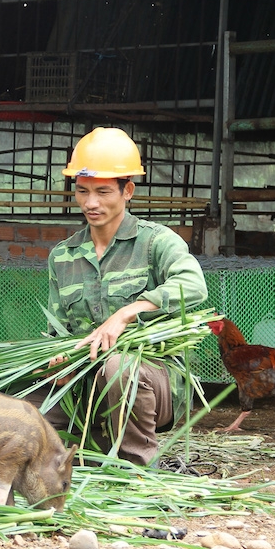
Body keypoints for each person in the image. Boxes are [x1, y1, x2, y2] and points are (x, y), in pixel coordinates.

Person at [37, 127, 208, 466]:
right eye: (82, 191)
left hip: (154, 382)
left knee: (118, 366)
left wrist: (128, 312)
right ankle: (76, 454)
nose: (91, 203)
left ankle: (137, 467)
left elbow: (193, 285)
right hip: (85, 380)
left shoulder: (157, 242)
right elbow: (58, 331)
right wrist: (59, 360)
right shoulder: (62, 256)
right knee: (21, 399)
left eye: (102, 191)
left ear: (127, 190)